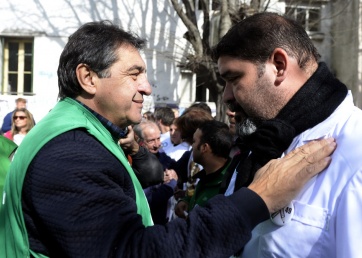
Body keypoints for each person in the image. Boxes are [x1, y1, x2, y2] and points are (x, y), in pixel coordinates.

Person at [0, 20, 336, 258]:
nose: (146, 87)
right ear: (88, 78)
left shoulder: (77, 135)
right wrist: (257, 199)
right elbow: (133, 251)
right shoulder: (68, 151)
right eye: (134, 74)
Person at [212, 12, 360, 257]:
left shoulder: (355, 154)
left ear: (278, 66)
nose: (227, 96)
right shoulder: (259, 146)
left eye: (234, 78)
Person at [175, 120, 233, 218]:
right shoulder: (206, 176)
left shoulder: (229, 184)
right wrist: (185, 201)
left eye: (194, 141)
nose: (192, 146)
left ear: (204, 148)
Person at [133, 120, 178, 224]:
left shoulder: (162, 157)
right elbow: (147, 200)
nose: (157, 144)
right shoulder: (134, 164)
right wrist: (171, 184)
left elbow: (176, 166)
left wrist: (173, 173)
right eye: (151, 141)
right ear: (138, 140)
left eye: (158, 138)